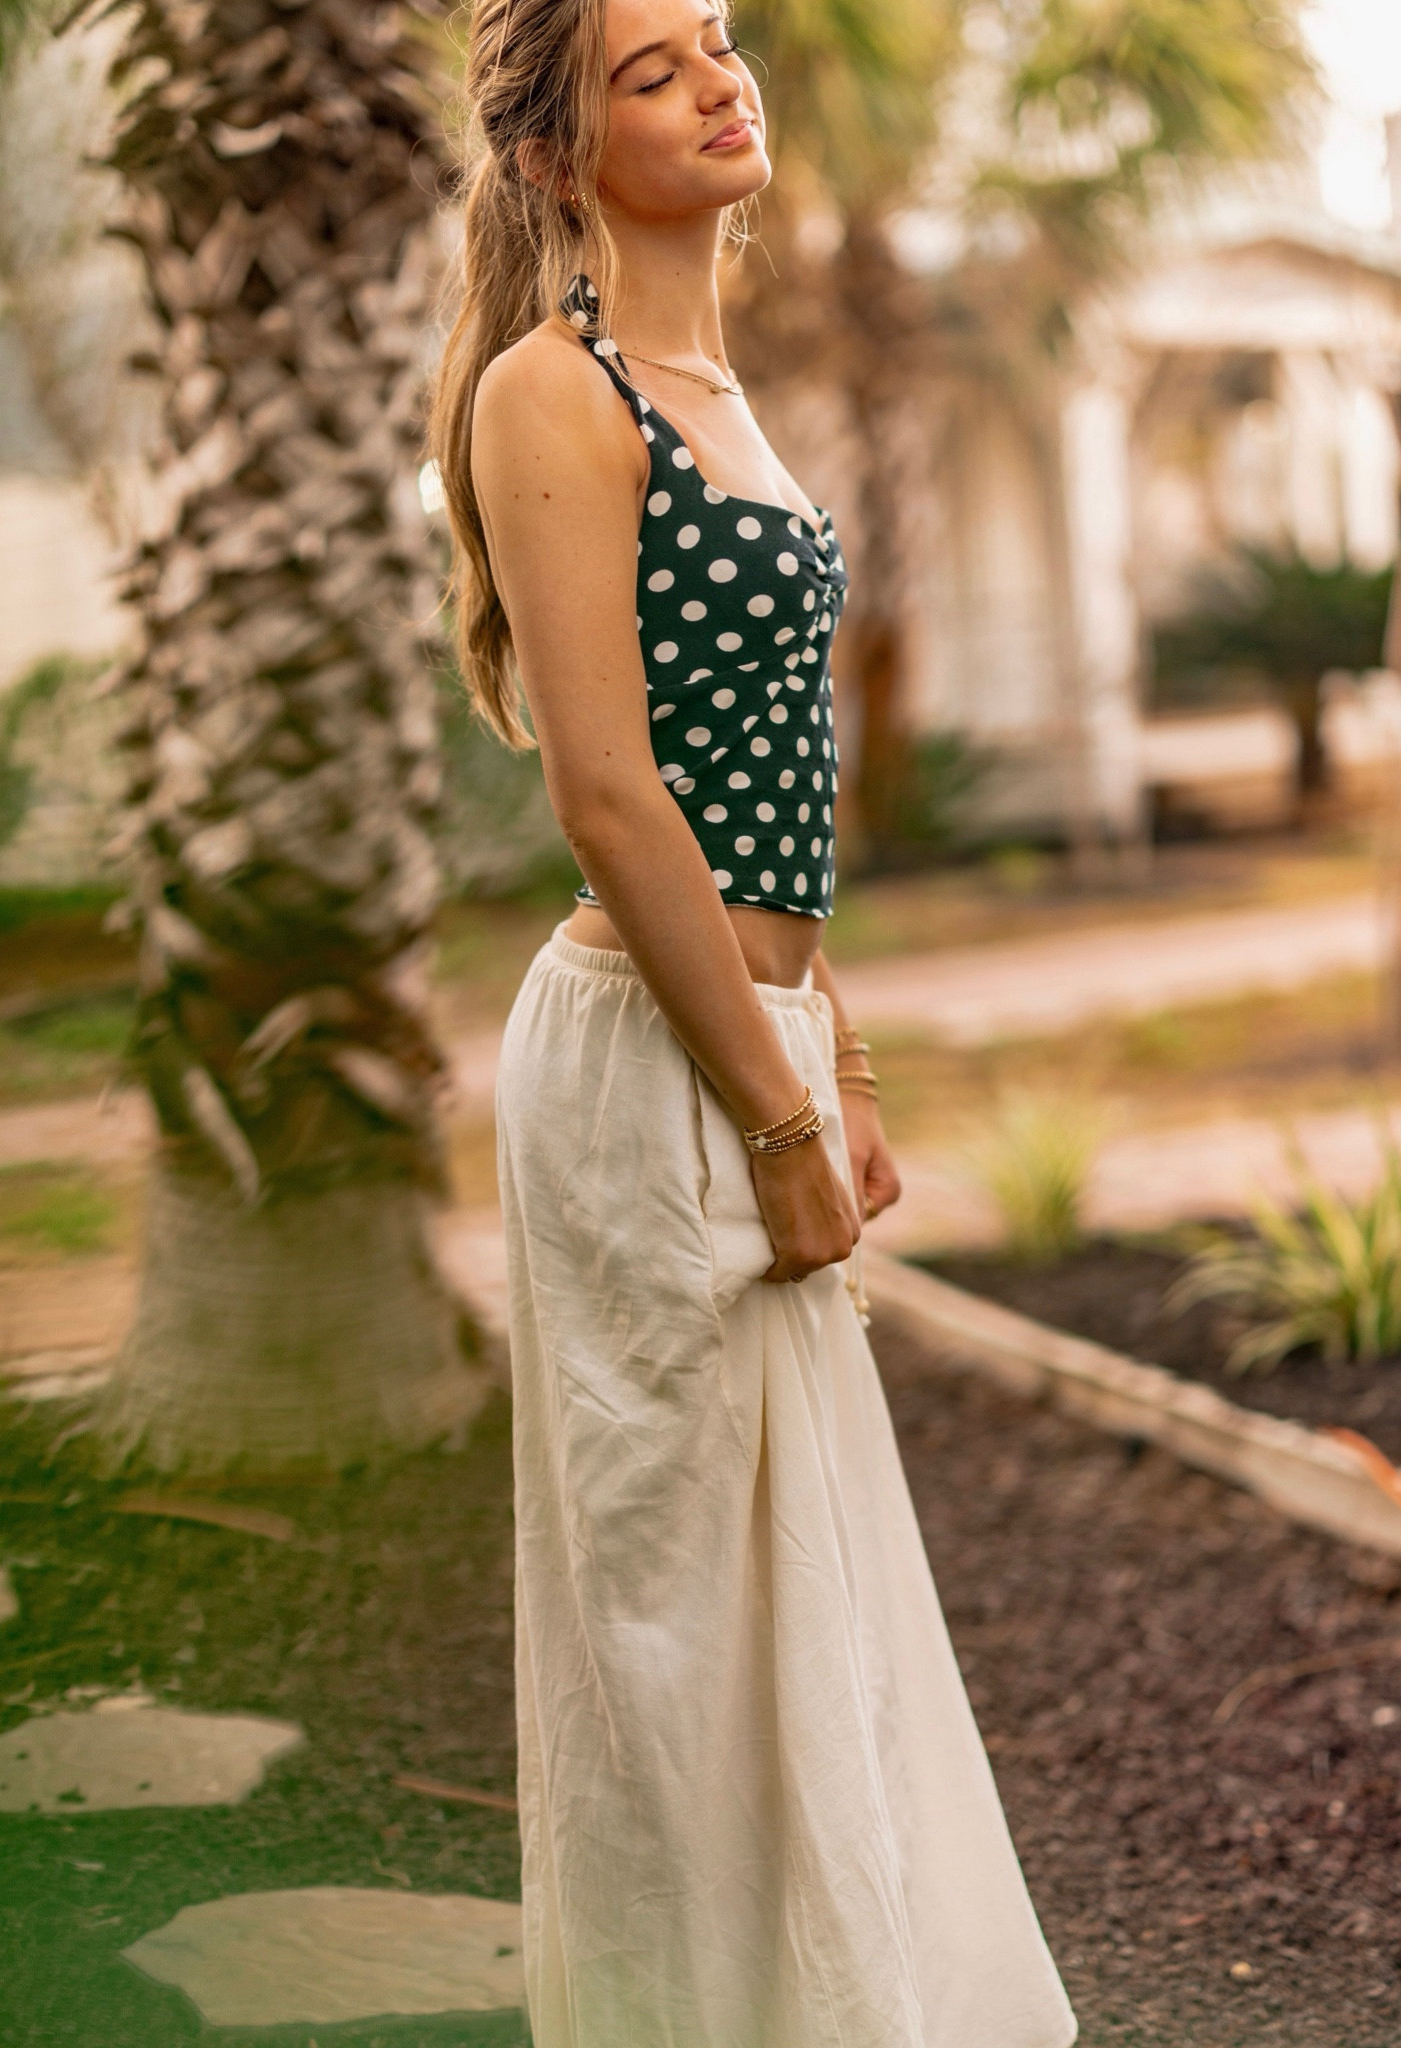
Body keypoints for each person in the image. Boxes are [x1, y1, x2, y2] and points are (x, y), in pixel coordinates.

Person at [430, 1, 1078, 2040]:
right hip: (644, 1058)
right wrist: (774, 1120)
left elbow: (760, 778)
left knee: (802, 1601)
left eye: (717, 42)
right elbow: (612, 797)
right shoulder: (554, 392)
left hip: (749, 1032)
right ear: (556, 160)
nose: (721, 80)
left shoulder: (723, 388)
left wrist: (836, 1063)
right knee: (676, 1638)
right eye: (653, 70)